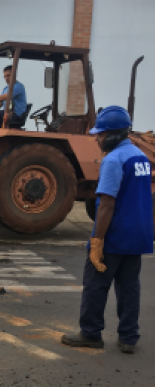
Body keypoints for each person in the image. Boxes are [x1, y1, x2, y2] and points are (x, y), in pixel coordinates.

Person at [61, 106, 153, 354]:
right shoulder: (140, 157)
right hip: (139, 234)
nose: (96, 138)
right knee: (129, 286)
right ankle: (128, 338)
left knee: (95, 283)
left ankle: (90, 333)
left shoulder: (113, 160)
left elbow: (107, 204)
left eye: (100, 134)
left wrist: (98, 240)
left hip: (115, 233)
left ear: (112, 135)